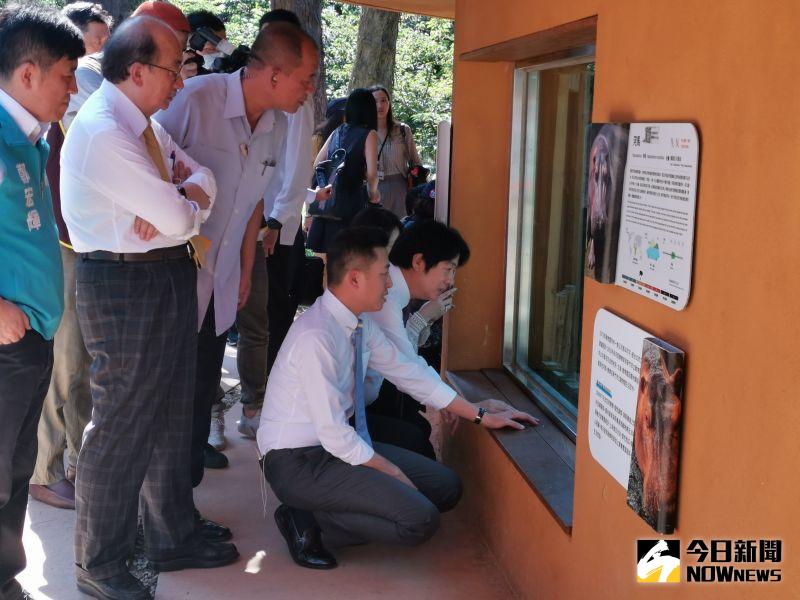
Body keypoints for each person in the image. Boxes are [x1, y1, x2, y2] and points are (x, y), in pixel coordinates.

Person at [61, 16, 238, 599]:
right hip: (122, 281)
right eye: (173, 67)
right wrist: (180, 204)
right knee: (120, 425)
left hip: (162, 273)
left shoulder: (143, 126)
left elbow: (203, 185)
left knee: (170, 408)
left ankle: (170, 532)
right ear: (136, 71)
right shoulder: (106, 130)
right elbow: (180, 215)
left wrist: (181, 198)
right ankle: (100, 561)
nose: (181, 82)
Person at [259, 227, 534, 570]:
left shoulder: (358, 324)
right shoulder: (317, 336)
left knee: (447, 488)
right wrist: (391, 472)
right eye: (384, 274)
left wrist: (477, 413)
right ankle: (308, 520)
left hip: (337, 448)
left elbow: (408, 371)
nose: (389, 284)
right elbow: (333, 434)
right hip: (298, 460)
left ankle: (329, 507)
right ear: (356, 279)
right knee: (420, 520)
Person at [154, 19, 327, 538]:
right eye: (307, 77)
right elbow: (150, 161)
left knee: (201, 386)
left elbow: (253, 203)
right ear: (274, 73)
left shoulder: (275, 123)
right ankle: (160, 520)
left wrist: (248, 271)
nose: (311, 89)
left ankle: (180, 512)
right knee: (167, 398)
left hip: (223, 281)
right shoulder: (197, 100)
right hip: (171, 278)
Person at [0, 7, 83, 598]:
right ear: (28, 74)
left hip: (30, 339)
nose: (73, 89)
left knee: (12, 474)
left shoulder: (28, 138)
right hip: (5, 341)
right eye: (65, 75)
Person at [29, 0, 112, 512]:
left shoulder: (86, 89)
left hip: (83, 241)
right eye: (91, 41)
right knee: (63, 362)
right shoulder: (76, 88)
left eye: (105, 40)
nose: (97, 51)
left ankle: (79, 461)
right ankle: (43, 470)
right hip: (59, 243)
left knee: (82, 363)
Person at [365, 220, 539, 459]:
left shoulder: (394, 294)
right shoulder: (386, 296)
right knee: (420, 449)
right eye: (448, 269)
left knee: (417, 438)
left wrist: (457, 403)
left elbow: (409, 365)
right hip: (345, 422)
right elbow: (406, 367)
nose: (451, 281)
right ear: (418, 262)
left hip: (358, 412)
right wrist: (475, 411)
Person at [306, 88, 380, 254]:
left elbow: (318, 163)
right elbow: (372, 174)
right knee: (352, 257)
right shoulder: (369, 134)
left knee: (328, 261)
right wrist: (373, 194)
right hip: (352, 205)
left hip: (328, 204)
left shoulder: (336, 132)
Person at [369, 85, 423, 220]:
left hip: (400, 187)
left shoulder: (403, 130)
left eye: (384, 100)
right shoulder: (364, 132)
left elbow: (416, 162)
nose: (380, 105)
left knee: (400, 229)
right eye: (375, 101)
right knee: (377, 231)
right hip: (373, 189)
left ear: (389, 103)